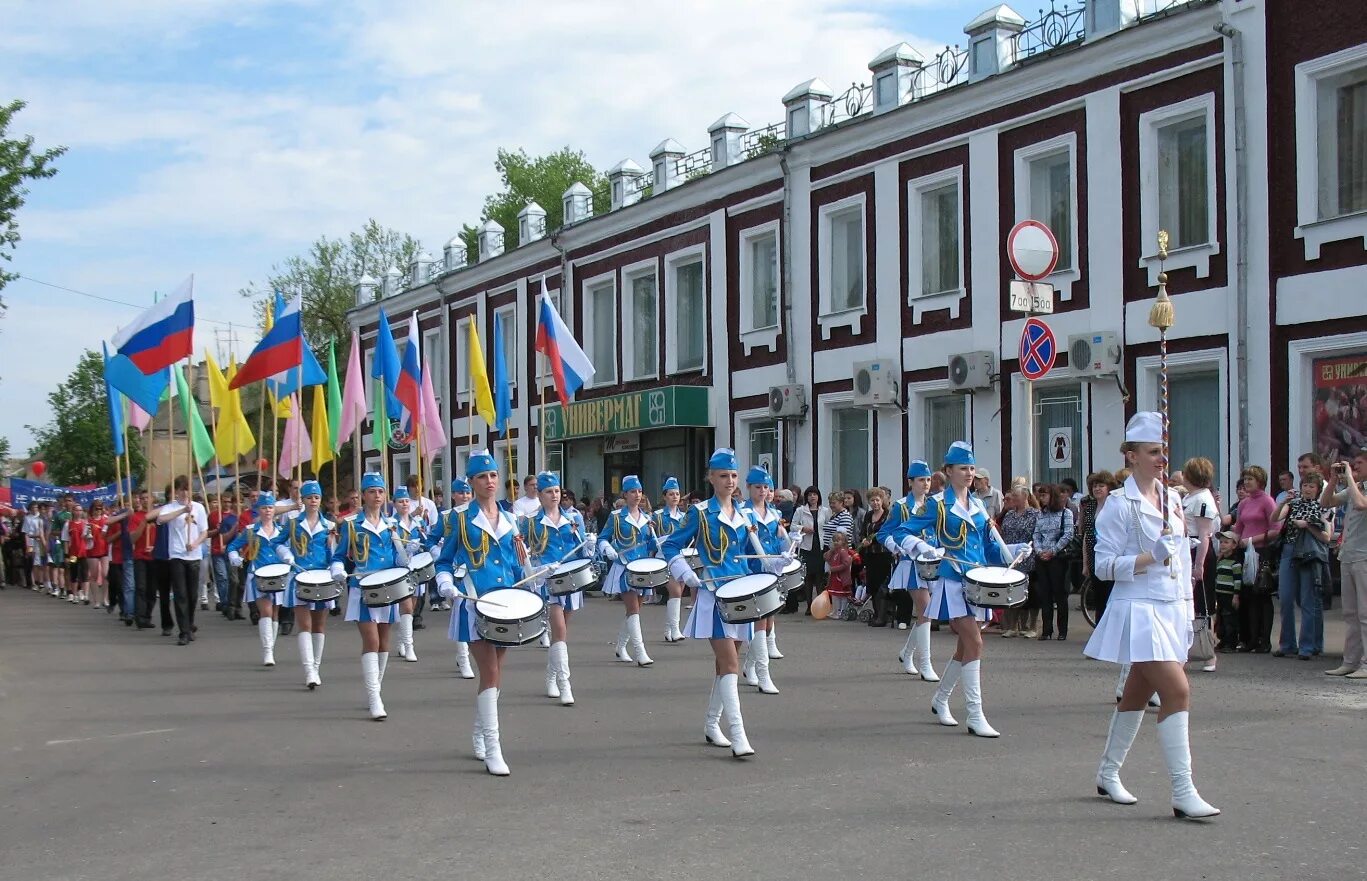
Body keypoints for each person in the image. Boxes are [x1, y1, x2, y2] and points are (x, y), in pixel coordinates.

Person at [1085, 411, 1219, 820]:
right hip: (1138, 608)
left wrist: (1187, 609)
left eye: (1163, 450)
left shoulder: (1174, 498)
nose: (1162, 458)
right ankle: (1183, 790)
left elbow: (1179, 565)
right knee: (1176, 692)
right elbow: (1103, 566)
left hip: (1171, 608)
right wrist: (1148, 557)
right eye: (1153, 451)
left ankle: (1107, 773)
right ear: (1131, 456)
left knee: (1137, 694)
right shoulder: (1118, 506)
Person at [903, 443, 1026, 737]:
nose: (969, 473)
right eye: (963, 468)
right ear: (949, 471)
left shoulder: (980, 506)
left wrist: (1012, 552)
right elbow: (902, 531)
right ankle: (974, 713)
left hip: (977, 580)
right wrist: (924, 547)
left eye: (972, 468)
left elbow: (988, 547)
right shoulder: (937, 504)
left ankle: (940, 699)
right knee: (976, 643)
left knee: (965, 647)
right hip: (952, 581)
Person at [433, 451, 530, 775]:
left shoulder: (510, 518)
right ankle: (493, 747)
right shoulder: (459, 518)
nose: (489, 481)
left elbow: (517, 563)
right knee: (489, 672)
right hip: (474, 603)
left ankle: (478, 734)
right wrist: (445, 582)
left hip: (506, 604)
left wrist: (536, 576)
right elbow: (444, 560)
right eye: (481, 477)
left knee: (496, 673)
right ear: (471, 483)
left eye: (492, 475)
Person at [663, 448, 763, 758]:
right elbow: (670, 546)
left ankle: (710, 724)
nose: (730, 481)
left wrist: (773, 565)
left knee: (725, 664)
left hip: (743, 593)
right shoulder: (700, 513)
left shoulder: (745, 512)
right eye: (723, 476)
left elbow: (753, 554)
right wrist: (687, 574)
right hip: (715, 595)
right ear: (711, 478)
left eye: (733, 475)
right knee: (731, 665)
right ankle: (739, 736)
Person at [329, 473, 408, 720]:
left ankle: (377, 689)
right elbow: (339, 555)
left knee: (385, 641)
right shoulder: (352, 524)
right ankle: (374, 698)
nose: (377, 496)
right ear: (363, 495)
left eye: (381, 492)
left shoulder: (392, 526)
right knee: (371, 641)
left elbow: (399, 559)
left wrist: (408, 555)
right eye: (372, 491)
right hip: (363, 588)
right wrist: (338, 569)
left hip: (389, 587)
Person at [520, 471, 587, 706]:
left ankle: (550, 675)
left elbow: (583, 553)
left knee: (562, 632)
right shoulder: (530, 523)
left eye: (557, 491)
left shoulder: (574, 520)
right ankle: (565, 684)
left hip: (571, 581)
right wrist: (538, 567)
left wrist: (589, 546)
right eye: (549, 492)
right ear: (539, 495)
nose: (555, 495)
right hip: (548, 583)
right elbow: (522, 559)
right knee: (558, 628)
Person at [878, 461, 939, 678]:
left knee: (925, 613)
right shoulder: (901, 506)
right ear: (910, 482)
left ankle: (907, 652)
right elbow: (883, 533)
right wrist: (896, 547)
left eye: (928, 480)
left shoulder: (934, 505)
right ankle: (926, 664)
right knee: (926, 609)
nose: (926, 484)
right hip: (910, 563)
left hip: (932, 562)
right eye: (921, 480)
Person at [1271, 475, 1332, 660]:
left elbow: (1326, 537)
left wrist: (1307, 526)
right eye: (1305, 485)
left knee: (1308, 600)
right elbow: (1274, 519)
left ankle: (1307, 646)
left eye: (1311, 486)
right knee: (1286, 598)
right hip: (1289, 551)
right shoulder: (1294, 504)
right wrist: (1284, 503)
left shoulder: (1322, 506)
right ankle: (1287, 643)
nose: (1307, 489)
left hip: (1309, 553)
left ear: (1318, 489)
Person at [598, 476, 656, 667]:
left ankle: (620, 647)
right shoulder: (616, 517)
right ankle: (641, 652)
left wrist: (658, 541)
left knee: (635, 610)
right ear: (625, 494)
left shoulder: (648, 518)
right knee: (633, 609)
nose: (637, 495)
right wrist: (608, 549)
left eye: (639, 491)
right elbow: (603, 538)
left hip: (643, 568)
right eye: (633, 492)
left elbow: (651, 544)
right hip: (624, 567)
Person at [740, 467, 788, 694]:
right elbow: (745, 543)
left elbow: (780, 541)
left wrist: (787, 549)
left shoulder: (775, 513)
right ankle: (763, 673)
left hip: (772, 572)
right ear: (749, 488)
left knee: (768, 624)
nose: (762, 491)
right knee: (760, 622)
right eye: (758, 487)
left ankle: (749, 666)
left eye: (766, 487)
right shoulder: (743, 513)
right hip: (752, 571)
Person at [228, 493, 292, 663]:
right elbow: (232, 546)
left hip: (280, 574)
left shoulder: (282, 531)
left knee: (276, 613)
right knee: (266, 611)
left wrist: (289, 556)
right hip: (258, 574)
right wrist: (235, 557)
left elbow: (290, 548)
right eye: (264, 508)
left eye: (270, 507)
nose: (268, 511)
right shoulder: (251, 531)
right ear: (258, 510)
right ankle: (267, 651)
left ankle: (271, 646)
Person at [284, 481, 336, 688]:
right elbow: (278, 542)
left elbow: (334, 555)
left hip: (322, 577)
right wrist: (287, 555)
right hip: (300, 575)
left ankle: (316, 665)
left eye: (316, 497)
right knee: (304, 624)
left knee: (319, 625)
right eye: (309, 497)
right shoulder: (293, 523)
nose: (313, 501)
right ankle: (309, 671)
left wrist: (333, 551)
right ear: (303, 500)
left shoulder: (329, 525)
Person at [1321, 450, 1367, 679]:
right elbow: (1325, 501)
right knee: (1350, 613)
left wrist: (1349, 477)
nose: (1355, 467)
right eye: (1353, 464)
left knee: (1365, 613)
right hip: (1349, 556)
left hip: (1364, 557)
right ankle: (1351, 661)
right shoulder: (1354, 487)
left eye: (1359, 464)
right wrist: (1331, 480)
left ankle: (1366, 663)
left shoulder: (1359, 490)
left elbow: (1361, 504)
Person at [1228, 466, 1279, 652]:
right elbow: (1239, 527)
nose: (1247, 482)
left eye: (1251, 479)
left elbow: (1275, 530)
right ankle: (1248, 638)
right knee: (1247, 595)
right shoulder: (1243, 504)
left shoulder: (1267, 502)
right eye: (1246, 479)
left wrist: (1252, 540)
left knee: (1262, 595)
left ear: (1261, 482)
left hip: (1261, 551)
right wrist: (1234, 542)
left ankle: (1263, 640)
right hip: (1244, 551)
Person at [158, 477, 210, 647]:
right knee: (180, 594)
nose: (184, 492)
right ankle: (184, 632)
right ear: (176, 491)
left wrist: (195, 543)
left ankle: (189, 624)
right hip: (177, 555)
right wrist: (181, 511)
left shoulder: (199, 508)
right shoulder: (170, 507)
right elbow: (161, 519)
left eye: (187, 489)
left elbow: (204, 531)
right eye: (181, 489)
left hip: (193, 555)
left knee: (192, 594)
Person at [1180, 459, 1220, 672]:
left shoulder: (1203, 499)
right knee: (1189, 603)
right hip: (1187, 548)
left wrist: (1199, 565)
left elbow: (1205, 535)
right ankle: (1187, 650)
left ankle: (1208, 654)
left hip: (1198, 550)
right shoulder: (1189, 497)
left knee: (1203, 603)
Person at [1033, 484, 1076, 640]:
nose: (1042, 499)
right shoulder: (1041, 514)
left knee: (1060, 594)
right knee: (1045, 594)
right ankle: (1047, 629)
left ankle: (1062, 630)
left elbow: (1068, 535)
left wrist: (1053, 551)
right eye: (1041, 496)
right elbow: (1036, 534)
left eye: (1045, 495)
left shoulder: (1066, 513)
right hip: (1042, 557)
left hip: (1058, 557)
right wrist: (1039, 551)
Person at [390, 487, 426, 663]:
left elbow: (427, 541)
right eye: (400, 501)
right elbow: (390, 550)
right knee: (406, 606)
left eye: (406, 501)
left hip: (417, 567)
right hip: (400, 569)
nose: (404, 504)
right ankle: (409, 646)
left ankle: (402, 641)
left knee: (412, 606)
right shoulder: (392, 524)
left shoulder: (418, 522)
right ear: (394, 504)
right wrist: (403, 551)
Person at [997, 485, 1039, 638]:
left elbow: (1037, 535)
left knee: (1031, 593)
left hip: (1029, 558)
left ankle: (1031, 626)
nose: (1013, 499)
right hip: (1011, 558)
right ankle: (1012, 626)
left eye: (1016, 496)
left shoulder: (1035, 514)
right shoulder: (1009, 515)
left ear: (1025, 497)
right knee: (1011, 592)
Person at [1080, 472, 1117, 630]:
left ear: (1109, 488)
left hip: (1111, 555)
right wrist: (1085, 563)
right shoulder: (1089, 508)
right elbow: (1087, 535)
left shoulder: (1115, 506)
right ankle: (1100, 632)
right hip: (1094, 555)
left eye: (1101, 485)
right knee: (1099, 597)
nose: (1097, 489)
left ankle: (1112, 632)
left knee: (1111, 595)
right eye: (1094, 486)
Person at [653, 477, 689, 644]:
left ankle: (669, 630)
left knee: (679, 592)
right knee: (674, 591)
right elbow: (651, 540)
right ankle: (675, 629)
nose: (675, 497)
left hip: (681, 557)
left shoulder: (685, 517)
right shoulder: (658, 516)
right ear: (665, 497)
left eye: (677, 494)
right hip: (664, 558)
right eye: (671, 494)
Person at [787, 487, 829, 614]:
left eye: (815, 495)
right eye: (810, 495)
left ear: (818, 496)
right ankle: (809, 605)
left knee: (820, 577)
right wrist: (803, 528)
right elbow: (792, 526)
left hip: (820, 546)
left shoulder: (825, 511)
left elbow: (828, 527)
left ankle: (821, 605)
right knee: (808, 577)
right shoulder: (801, 510)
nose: (812, 497)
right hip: (806, 546)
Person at [860, 487, 894, 628]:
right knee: (872, 584)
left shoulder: (887, 515)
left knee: (882, 585)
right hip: (870, 554)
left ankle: (883, 616)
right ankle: (876, 613)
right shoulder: (868, 516)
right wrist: (863, 540)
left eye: (877, 500)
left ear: (882, 500)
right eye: (872, 500)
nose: (875, 503)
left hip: (883, 554)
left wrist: (872, 540)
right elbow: (863, 531)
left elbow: (886, 533)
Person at [1212, 531, 1243, 652]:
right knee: (1221, 618)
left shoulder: (1235, 563)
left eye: (1226, 542)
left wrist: (1236, 596)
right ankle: (1222, 640)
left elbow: (1237, 581)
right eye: (1221, 542)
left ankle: (1231, 643)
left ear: (1234, 545)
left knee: (1230, 618)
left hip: (1230, 595)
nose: (1223, 545)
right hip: (1220, 594)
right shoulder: (1220, 561)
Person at [824, 532, 854, 619]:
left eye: (838, 540)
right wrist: (831, 550)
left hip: (841, 578)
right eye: (834, 541)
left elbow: (846, 564)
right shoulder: (835, 552)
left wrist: (834, 569)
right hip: (834, 578)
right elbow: (826, 557)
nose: (836, 542)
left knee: (841, 596)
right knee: (834, 595)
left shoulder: (843, 552)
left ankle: (841, 611)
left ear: (844, 542)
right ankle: (835, 610)